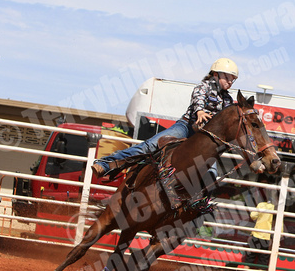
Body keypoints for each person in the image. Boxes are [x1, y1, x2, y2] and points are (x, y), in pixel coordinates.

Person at [91, 57, 239, 180]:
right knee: (151, 145)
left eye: (232, 79)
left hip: (205, 137)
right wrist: (199, 111)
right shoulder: (204, 86)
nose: (230, 82)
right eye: (227, 77)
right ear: (215, 74)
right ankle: (105, 164)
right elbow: (197, 97)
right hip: (187, 127)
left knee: (211, 174)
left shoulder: (228, 100)